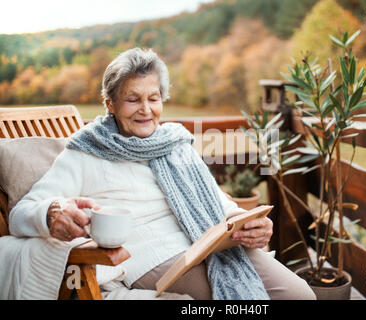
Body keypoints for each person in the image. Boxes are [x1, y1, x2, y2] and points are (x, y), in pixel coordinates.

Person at [9, 48, 316, 300]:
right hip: (151, 259)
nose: (146, 109)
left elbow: (216, 202)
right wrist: (51, 213)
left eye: (153, 98)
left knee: (301, 295)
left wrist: (249, 223)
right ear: (110, 104)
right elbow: (20, 213)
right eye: (132, 99)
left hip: (206, 244)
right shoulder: (85, 153)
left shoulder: (175, 144)